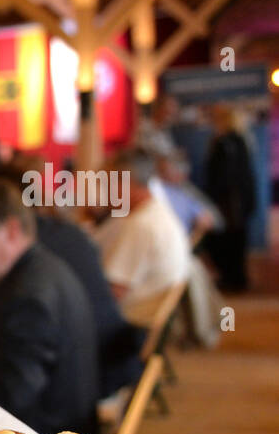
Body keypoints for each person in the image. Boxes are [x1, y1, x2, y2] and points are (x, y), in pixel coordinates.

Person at [0, 184, 99, 434]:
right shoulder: (40, 270)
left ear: (11, 230)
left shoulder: (28, 297)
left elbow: (10, 405)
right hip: (57, 427)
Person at [92, 149, 191, 327]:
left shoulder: (141, 226)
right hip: (148, 320)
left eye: (106, 184)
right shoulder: (156, 213)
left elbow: (113, 293)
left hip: (130, 327)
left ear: (126, 183)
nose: (103, 194)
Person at [202, 105, 257, 292]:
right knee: (236, 241)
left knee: (228, 241)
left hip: (229, 203)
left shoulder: (226, 142)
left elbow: (223, 176)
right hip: (239, 202)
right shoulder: (242, 139)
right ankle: (237, 278)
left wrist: (212, 197)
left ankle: (233, 278)